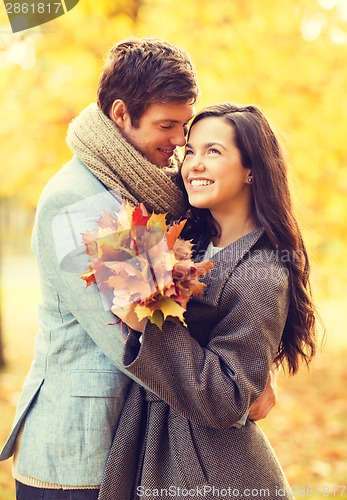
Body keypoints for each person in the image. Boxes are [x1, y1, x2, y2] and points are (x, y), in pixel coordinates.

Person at [0, 40, 275, 499]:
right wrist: (238, 389)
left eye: (183, 126)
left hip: (130, 451)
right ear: (122, 113)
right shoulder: (83, 204)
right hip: (80, 455)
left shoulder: (133, 190)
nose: (179, 142)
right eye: (166, 125)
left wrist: (245, 369)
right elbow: (140, 330)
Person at [98, 103, 317, 500]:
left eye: (213, 152)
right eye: (191, 152)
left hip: (207, 469)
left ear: (252, 169)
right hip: (151, 443)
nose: (193, 165)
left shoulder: (264, 271)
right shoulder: (189, 239)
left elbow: (229, 397)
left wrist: (148, 323)